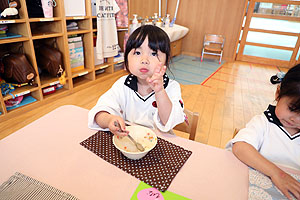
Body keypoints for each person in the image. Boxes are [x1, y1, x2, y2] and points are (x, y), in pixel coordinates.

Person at [88, 25, 185, 136]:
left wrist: (160, 92)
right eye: (137, 53)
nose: (144, 60)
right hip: (129, 139)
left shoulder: (171, 87)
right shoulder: (123, 85)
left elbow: (168, 121)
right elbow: (100, 111)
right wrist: (109, 120)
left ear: (166, 60)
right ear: (127, 58)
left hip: (161, 142)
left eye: (153, 53)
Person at [226, 64, 300, 200]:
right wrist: (277, 173)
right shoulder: (264, 123)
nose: (295, 119)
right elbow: (240, 146)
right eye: (291, 108)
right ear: (278, 93)